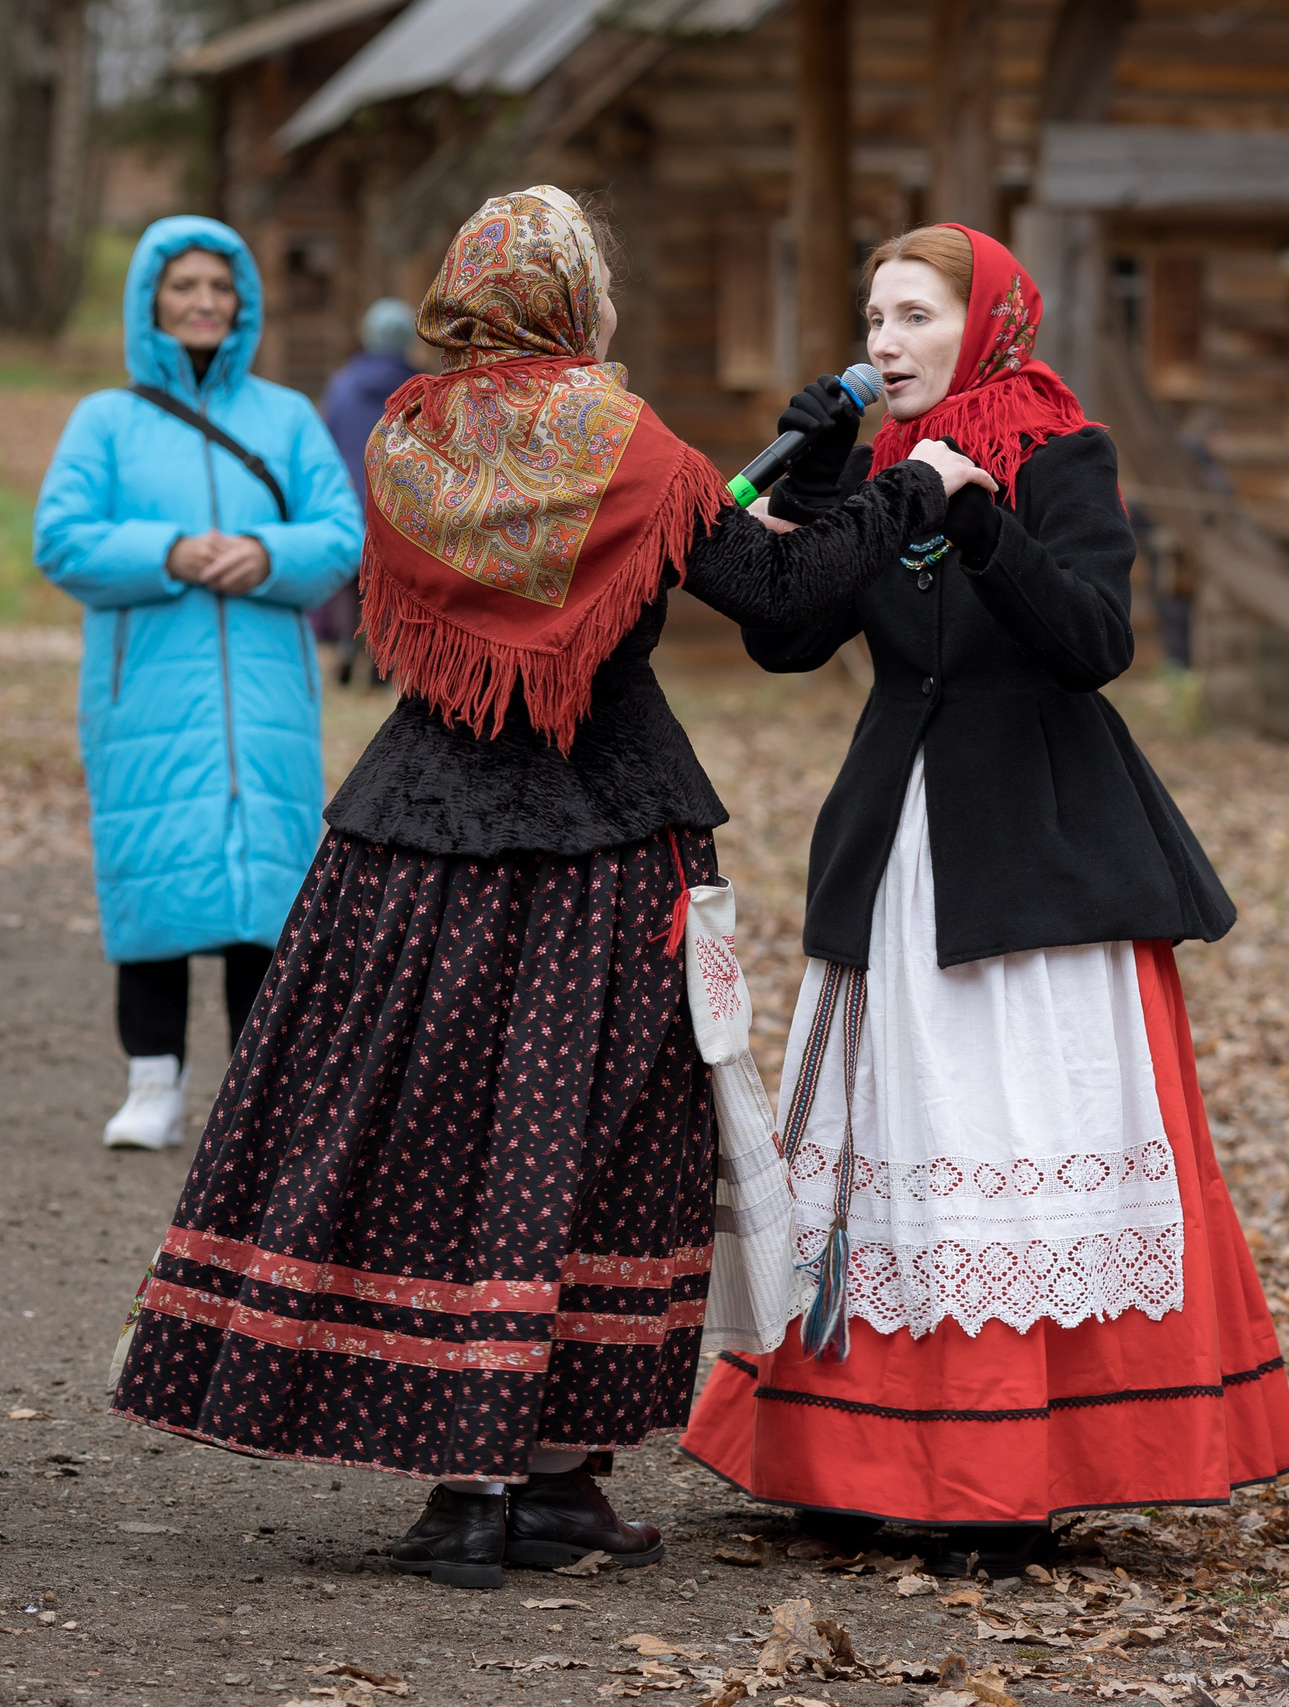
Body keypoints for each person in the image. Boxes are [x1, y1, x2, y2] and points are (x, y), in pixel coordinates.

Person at [108, 186, 994, 1590]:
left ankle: (493, 1488)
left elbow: (546, 592)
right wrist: (906, 485)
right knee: (585, 1148)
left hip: (415, 836)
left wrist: (808, 476)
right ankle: (531, 1476)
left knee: (434, 1140)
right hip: (599, 834)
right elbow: (778, 600)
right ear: (578, 300)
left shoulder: (407, 437)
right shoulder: (623, 443)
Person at [679, 223, 1289, 1578]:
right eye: (874, 317)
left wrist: (981, 519)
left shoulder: (1064, 451)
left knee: (1004, 1138)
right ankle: (851, 1456)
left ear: (983, 324)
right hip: (899, 847)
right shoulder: (880, 468)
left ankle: (1003, 1466)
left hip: (1036, 857)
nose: (885, 343)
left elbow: (1096, 641)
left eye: (912, 316)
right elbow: (790, 641)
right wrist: (831, 479)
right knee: (890, 1132)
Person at [35, 217, 364, 1153]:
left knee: (266, 895)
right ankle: (153, 1085)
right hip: (145, 697)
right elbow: (60, 539)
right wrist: (169, 551)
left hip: (266, 697)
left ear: (244, 302)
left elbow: (341, 534)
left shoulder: (285, 417)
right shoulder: (106, 420)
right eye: (183, 286)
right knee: (153, 887)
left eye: (220, 287)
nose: (204, 302)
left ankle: (253, 1100)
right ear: (150, 300)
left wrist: (264, 553)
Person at [314, 297, 423, 683]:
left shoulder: (342, 383)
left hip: (350, 495)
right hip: (400, 501)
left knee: (350, 579)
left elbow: (329, 439)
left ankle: (346, 646)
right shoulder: (419, 388)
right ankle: (383, 661)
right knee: (392, 581)